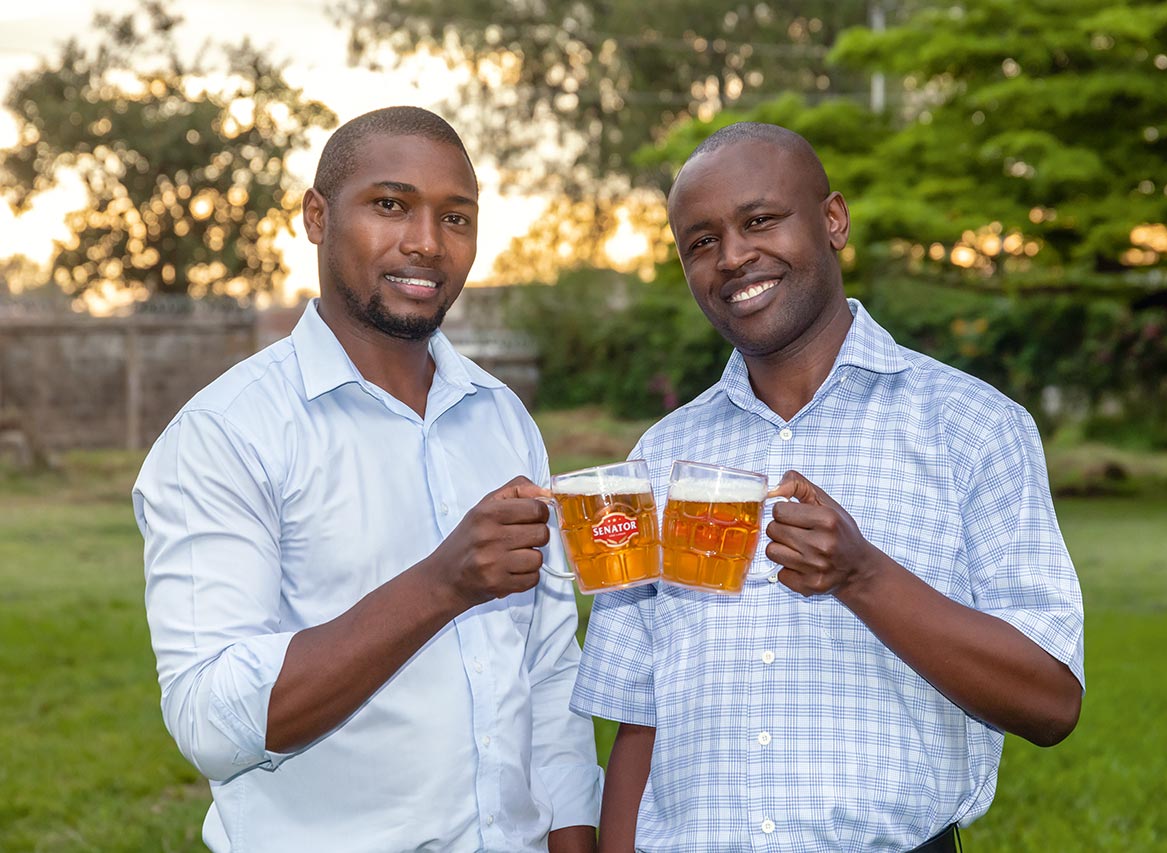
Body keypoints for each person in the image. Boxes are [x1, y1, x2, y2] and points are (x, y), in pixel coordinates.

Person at [570, 122, 1084, 852]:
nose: (733, 256)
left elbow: (1051, 700)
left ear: (833, 219)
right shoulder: (661, 457)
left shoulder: (973, 427)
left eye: (759, 220)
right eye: (701, 242)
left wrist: (862, 574)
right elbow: (639, 717)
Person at [133, 107, 601, 852]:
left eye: (456, 216)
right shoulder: (226, 434)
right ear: (317, 217)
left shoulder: (503, 420)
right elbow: (209, 722)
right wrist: (442, 584)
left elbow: (547, 670)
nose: (425, 241)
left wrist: (574, 838)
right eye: (390, 205)